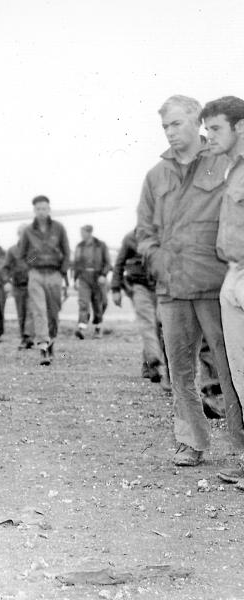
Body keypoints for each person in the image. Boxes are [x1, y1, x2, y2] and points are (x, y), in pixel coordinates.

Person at [136, 94, 240, 467]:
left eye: (176, 124)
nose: (169, 132)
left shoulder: (225, 163)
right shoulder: (156, 176)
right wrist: (157, 257)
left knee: (231, 370)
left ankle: (240, 447)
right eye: (164, 126)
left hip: (214, 285)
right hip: (172, 289)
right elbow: (144, 230)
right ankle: (190, 441)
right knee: (180, 370)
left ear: (196, 122)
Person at [198, 95, 244, 483]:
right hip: (234, 273)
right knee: (240, 373)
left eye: (215, 128)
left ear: (240, 127)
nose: (208, 136)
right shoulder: (234, 171)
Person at [15, 195, 70, 366]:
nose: (41, 212)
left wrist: (62, 271)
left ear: (49, 209)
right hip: (36, 274)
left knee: (53, 312)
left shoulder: (59, 228)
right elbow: (22, 255)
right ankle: (43, 346)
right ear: (34, 210)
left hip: (54, 274)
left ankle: (51, 341)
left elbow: (67, 252)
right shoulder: (28, 231)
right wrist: (34, 263)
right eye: (38, 209)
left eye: (44, 208)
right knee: (39, 310)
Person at [111, 229, 169, 387]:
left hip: (161, 286)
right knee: (148, 324)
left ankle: (148, 365)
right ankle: (156, 362)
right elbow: (119, 264)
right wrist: (115, 289)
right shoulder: (130, 238)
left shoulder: (165, 232)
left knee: (159, 326)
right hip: (139, 287)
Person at [71, 225, 112, 339]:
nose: (82, 235)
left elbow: (108, 263)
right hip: (84, 277)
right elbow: (76, 264)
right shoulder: (79, 246)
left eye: (83, 233)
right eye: (81, 233)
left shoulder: (101, 245)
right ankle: (81, 328)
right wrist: (74, 279)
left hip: (98, 277)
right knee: (83, 302)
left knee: (99, 303)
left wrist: (103, 275)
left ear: (89, 233)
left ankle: (98, 328)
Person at [6, 224, 34, 349]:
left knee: (30, 311)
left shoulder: (34, 250)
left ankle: (28, 337)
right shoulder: (12, 250)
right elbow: (6, 267)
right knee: (21, 313)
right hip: (17, 286)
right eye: (21, 233)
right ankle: (24, 338)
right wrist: (7, 281)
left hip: (32, 285)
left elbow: (38, 265)